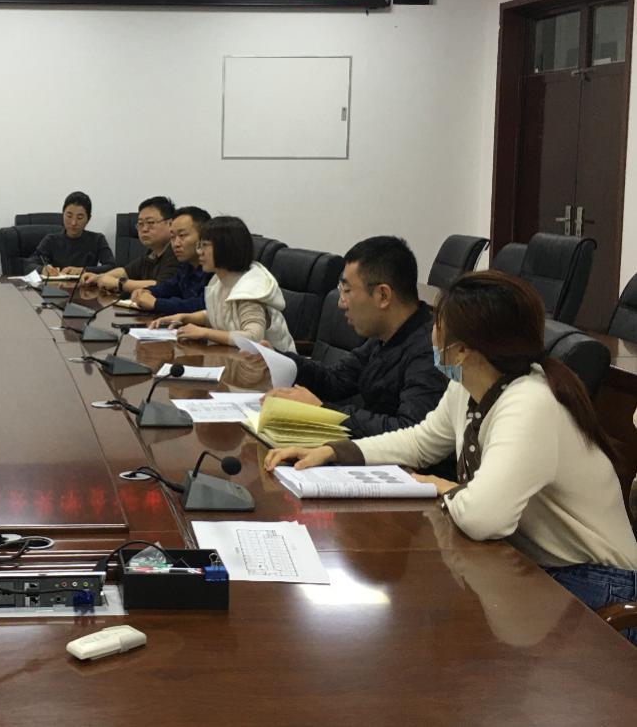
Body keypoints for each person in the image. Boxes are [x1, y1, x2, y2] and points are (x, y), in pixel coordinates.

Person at [265, 271, 637, 643]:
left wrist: (446, 488)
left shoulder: (530, 402)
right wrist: (336, 450)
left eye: (437, 325)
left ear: (462, 350)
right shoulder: (469, 386)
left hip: (597, 581)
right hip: (535, 566)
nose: (430, 333)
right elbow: (421, 441)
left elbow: (483, 518)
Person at [268, 236, 448, 440]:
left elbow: (409, 432)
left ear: (383, 295)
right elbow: (334, 380)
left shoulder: (431, 350)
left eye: (347, 290)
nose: (341, 303)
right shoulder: (384, 335)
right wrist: (275, 359)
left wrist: (322, 412)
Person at [149, 216, 295, 351]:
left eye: (204, 245)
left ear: (226, 248)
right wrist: (184, 317)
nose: (199, 252)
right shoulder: (221, 279)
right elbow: (221, 314)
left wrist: (204, 332)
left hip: (271, 365)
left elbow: (253, 337)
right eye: (199, 245)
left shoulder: (250, 289)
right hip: (237, 359)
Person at [81, 196, 178, 294]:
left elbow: (161, 286)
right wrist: (99, 278)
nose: (144, 229)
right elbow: (126, 272)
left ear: (170, 224)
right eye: (140, 224)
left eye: (150, 222)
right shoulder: (152, 253)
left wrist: (118, 283)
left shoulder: (177, 252)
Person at [128, 206, 212, 314]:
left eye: (182, 235)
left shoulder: (215, 267)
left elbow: (203, 305)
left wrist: (156, 303)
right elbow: (170, 287)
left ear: (203, 237)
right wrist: (147, 291)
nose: (176, 244)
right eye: (172, 237)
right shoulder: (186, 264)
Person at [30, 191, 115, 276]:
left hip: (85, 284)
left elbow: (111, 266)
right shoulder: (51, 240)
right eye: (69, 216)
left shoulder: (97, 239)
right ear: (63, 214)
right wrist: (43, 269)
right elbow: (29, 264)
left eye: (80, 218)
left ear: (88, 219)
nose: (73, 223)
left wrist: (84, 270)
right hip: (56, 284)